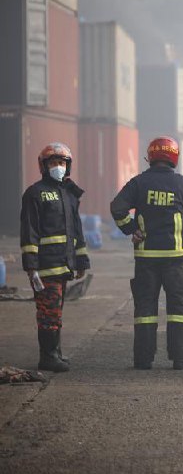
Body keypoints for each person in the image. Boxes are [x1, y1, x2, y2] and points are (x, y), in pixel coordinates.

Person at [110, 137, 183, 370]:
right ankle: (181, 360)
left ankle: (143, 360)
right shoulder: (182, 183)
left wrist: (130, 228)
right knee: (179, 309)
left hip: (146, 259)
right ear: (174, 157)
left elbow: (117, 207)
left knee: (145, 310)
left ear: (150, 157)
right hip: (177, 258)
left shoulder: (138, 183)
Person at [20, 143, 90, 372]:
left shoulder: (69, 194)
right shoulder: (35, 193)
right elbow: (29, 231)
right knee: (48, 312)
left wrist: (81, 261)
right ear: (44, 166)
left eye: (61, 163)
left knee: (56, 312)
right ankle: (47, 358)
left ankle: (55, 353)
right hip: (45, 267)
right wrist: (31, 267)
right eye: (53, 163)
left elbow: (76, 230)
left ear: (68, 166)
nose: (58, 167)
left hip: (64, 265)